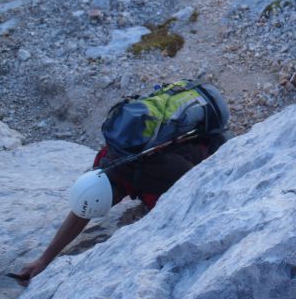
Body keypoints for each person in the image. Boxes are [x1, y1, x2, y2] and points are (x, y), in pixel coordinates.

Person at [17, 100, 230, 283]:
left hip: (212, 149)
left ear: (116, 197)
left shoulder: (153, 182)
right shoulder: (106, 160)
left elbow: (195, 193)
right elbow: (82, 211)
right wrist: (44, 260)